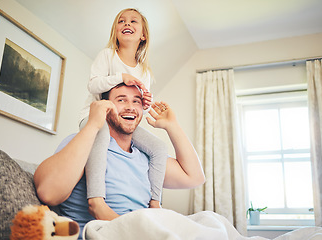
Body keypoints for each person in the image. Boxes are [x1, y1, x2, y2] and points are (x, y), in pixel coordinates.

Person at [34, 84, 205, 237]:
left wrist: (172, 126)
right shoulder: (86, 143)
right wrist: (93, 125)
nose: (130, 107)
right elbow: (48, 193)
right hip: (106, 234)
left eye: (136, 101)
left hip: (147, 231)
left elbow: (195, 177)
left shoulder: (146, 157)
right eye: (121, 100)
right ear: (106, 106)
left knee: (211, 222)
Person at [78, 8, 167, 220]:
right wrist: (121, 77)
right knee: (99, 135)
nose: (127, 24)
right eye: (122, 21)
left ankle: (155, 203)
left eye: (133, 21)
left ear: (143, 35)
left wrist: (146, 102)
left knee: (159, 147)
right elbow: (93, 85)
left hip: (122, 125)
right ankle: (97, 201)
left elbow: (138, 106)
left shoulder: (145, 71)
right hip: (96, 119)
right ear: (116, 30)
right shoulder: (107, 55)